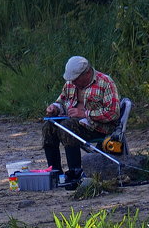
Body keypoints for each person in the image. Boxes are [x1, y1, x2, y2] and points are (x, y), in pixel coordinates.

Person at [42, 56, 120, 188]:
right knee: (48, 126)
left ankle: (75, 174)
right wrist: (55, 108)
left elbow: (113, 113)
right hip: (75, 123)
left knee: (67, 127)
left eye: (76, 79)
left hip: (98, 127)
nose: (74, 82)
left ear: (87, 73)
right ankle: (55, 173)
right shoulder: (70, 83)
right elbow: (61, 102)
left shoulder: (105, 82)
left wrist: (85, 113)